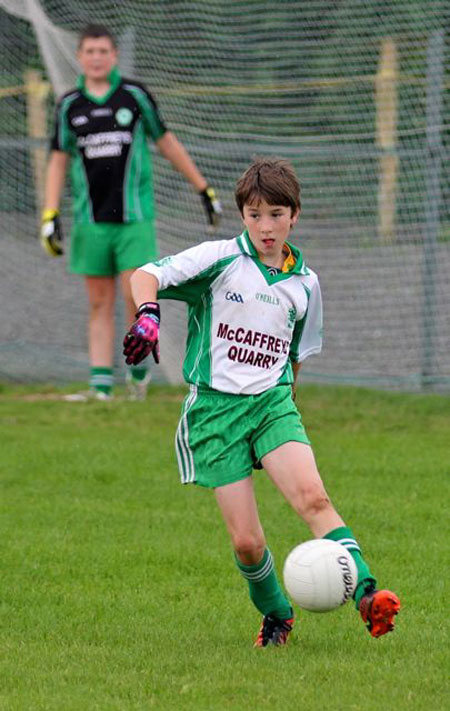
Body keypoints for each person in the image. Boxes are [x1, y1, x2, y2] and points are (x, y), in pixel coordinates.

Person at [122, 157, 400, 646]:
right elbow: (145, 274)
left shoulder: (306, 284)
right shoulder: (221, 258)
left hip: (272, 405)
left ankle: (368, 596)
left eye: (276, 214)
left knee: (314, 499)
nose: (266, 227)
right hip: (215, 412)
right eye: (255, 215)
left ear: (295, 214)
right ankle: (276, 614)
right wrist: (147, 313)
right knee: (248, 544)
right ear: (242, 217)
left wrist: (283, 408)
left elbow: (294, 357)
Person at [40, 23, 222, 401]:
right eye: (89, 51)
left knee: (135, 299)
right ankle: (100, 387)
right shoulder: (70, 105)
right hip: (91, 222)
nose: (96, 57)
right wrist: (50, 211)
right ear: (79, 57)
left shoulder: (135, 97)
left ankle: (137, 381)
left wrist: (202, 186)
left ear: (114, 56)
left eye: (103, 51)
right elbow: (58, 159)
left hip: (134, 221)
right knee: (98, 302)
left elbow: (166, 141)